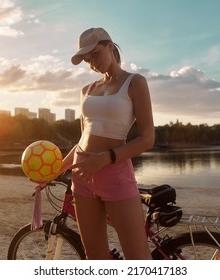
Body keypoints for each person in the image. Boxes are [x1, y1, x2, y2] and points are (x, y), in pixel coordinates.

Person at [61, 27, 154, 260]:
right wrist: (54, 170)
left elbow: (147, 139)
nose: (92, 62)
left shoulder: (135, 83)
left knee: (138, 258)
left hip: (115, 174)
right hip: (82, 176)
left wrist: (105, 158)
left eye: (95, 54)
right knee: (95, 257)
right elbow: (82, 141)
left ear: (110, 47)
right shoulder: (87, 90)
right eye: (87, 59)